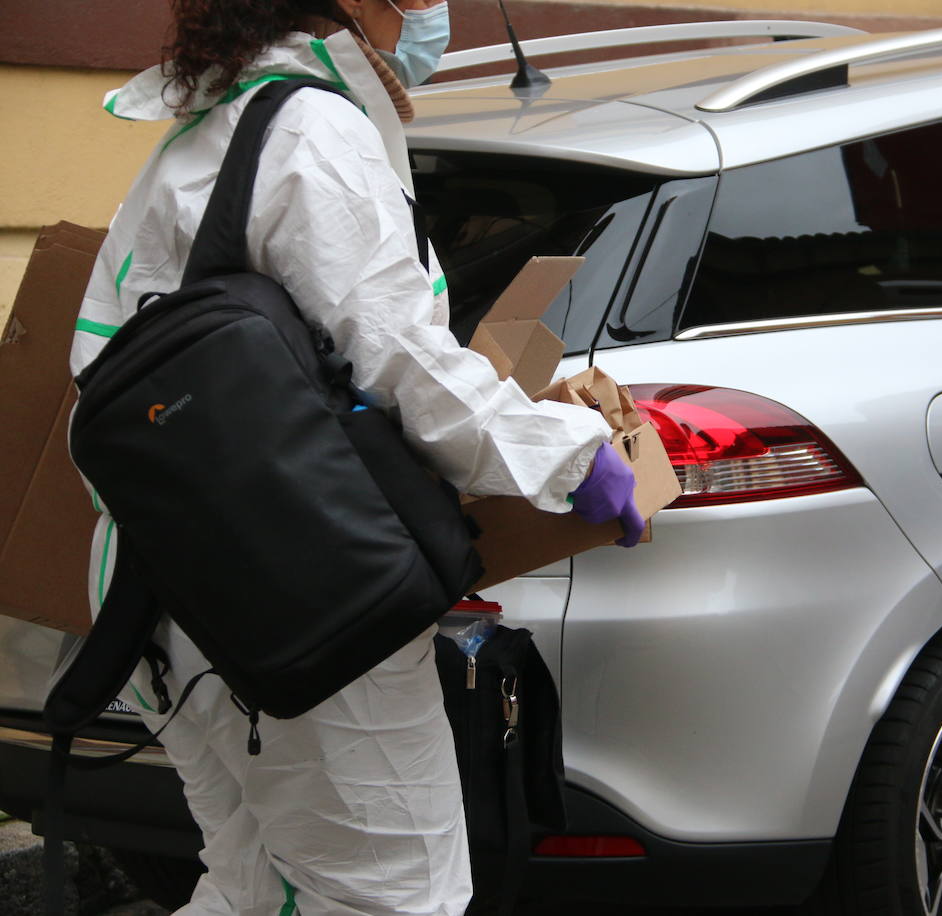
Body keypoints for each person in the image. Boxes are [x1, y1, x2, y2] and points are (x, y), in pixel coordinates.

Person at [69, 1, 643, 913]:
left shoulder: (213, 127)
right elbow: (402, 359)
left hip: (161, 595)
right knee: (396, 895)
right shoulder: (311, 129)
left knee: (253, 890)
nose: (433, 13)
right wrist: (571, 458)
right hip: (295, 593)